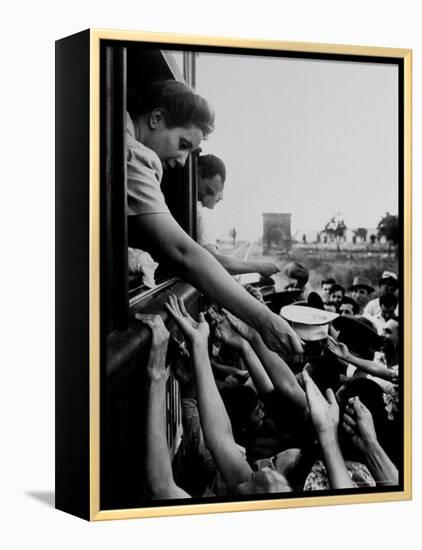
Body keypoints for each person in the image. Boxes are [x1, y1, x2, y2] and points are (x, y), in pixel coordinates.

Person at [126, 80, 302, 357]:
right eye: (183, 144)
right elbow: (183, 252)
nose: (183, 161)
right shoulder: (135, 156)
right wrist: (265, 319)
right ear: (157, 119)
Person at [165, 295, 293, 495]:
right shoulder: (249, 475)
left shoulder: (244, 484)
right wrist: (244, 343)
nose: (261, 463)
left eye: (273, 465)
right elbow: (220, 440)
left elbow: (159, 487)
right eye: (273, 459)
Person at [197, 154, 279, 277]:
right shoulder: (197, 214)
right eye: (215, 190)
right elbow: (215, 264)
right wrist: (260, 267)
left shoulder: (196, 210)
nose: (221, 197)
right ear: (198, 174)